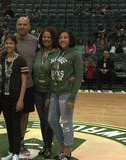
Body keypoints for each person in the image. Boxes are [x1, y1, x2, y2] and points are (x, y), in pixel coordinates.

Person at [48, 29, 83, 160]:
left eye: (65, 38)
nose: (62, 40)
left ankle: (67, 151)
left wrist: (72, 98)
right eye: (61, 38)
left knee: (67, 122)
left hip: (67, 93)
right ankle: (63, 145)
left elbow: (79, 77)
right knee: (51, 120)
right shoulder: (56, 53)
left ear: (70, 39)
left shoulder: (75, 54)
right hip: (54, 92)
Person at [1, 34, 29, 160]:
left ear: (15, 45)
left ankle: (17, 153)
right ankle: (11, 151)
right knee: (8, 124)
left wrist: (21, 99)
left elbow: (24, 81)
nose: (8, 46)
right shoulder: (2, 58)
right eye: (6, 43)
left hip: (16, 97)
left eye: (11, 43)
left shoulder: (21, 60)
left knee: (16, 125)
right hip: (4, 97)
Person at [15, 16, 37, 156]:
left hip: (28, 85)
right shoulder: (9, 39)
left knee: (24, 116)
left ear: (29, 26)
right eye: (19, 24)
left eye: (24, 24)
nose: (22, 26)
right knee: (11, 116)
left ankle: (21, 141)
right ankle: (13, 141)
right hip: (11, 86)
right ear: (16, 26)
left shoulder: (35, 41)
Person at [33, 26, 57, 158]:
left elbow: (56, 75)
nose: (46, 39)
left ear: (53, 39)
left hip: (50, 92)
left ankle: (48, 146)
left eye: (48, 36)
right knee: (42, 120)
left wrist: (50, 94)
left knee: (49, 120)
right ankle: (45, 145)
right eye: (44, 37)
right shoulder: (37, 52)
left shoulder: (57, 53)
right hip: (37, 91)